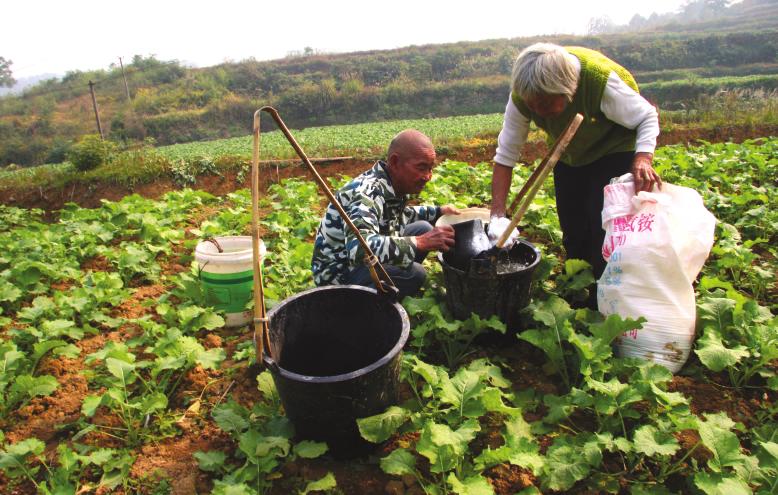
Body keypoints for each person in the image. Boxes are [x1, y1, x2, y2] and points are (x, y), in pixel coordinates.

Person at [488, 42, 662, 305]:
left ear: (567, 90)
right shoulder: (523, 97)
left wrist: (643, 158)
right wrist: (498, 215)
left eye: (545, 104)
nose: (538, 111)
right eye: (532, 104)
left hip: (614, 148)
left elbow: (647, 116)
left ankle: (604, 297)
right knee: (572, 225)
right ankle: (577, 289)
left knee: (601, 224)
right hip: (568, 150)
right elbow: (505, 156)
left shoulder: (599, 82)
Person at [311, 129, 459, 299]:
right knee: (415, 273)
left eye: (430, 168)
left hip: (362, 261)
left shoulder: (390, 184)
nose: (428, 176)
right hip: (339, 276)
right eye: (421, 168)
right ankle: (369, 306)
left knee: (423, 227)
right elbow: (359, 249)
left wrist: (439, 211)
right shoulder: (366, 193)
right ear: (395, 162)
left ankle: (393, 284)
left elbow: (398, 215)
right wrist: (420, 242)